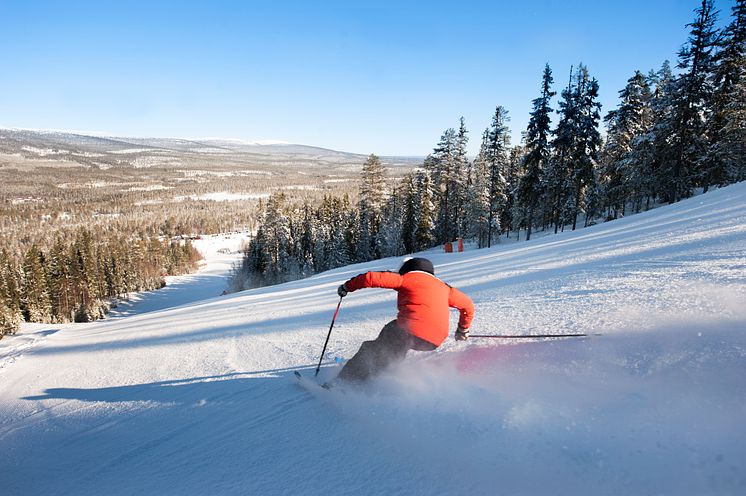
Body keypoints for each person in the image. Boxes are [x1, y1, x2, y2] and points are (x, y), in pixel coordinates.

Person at [335, 257, 474, 382]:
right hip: (434, 341)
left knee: (376, 346)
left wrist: (347, 287)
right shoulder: (445, 289)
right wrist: (462, 330)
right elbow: (468, 305)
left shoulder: (406, 278)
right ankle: (384, 370)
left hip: (410, 330)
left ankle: (344, 381)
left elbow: (369, 278)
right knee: (395, 343)